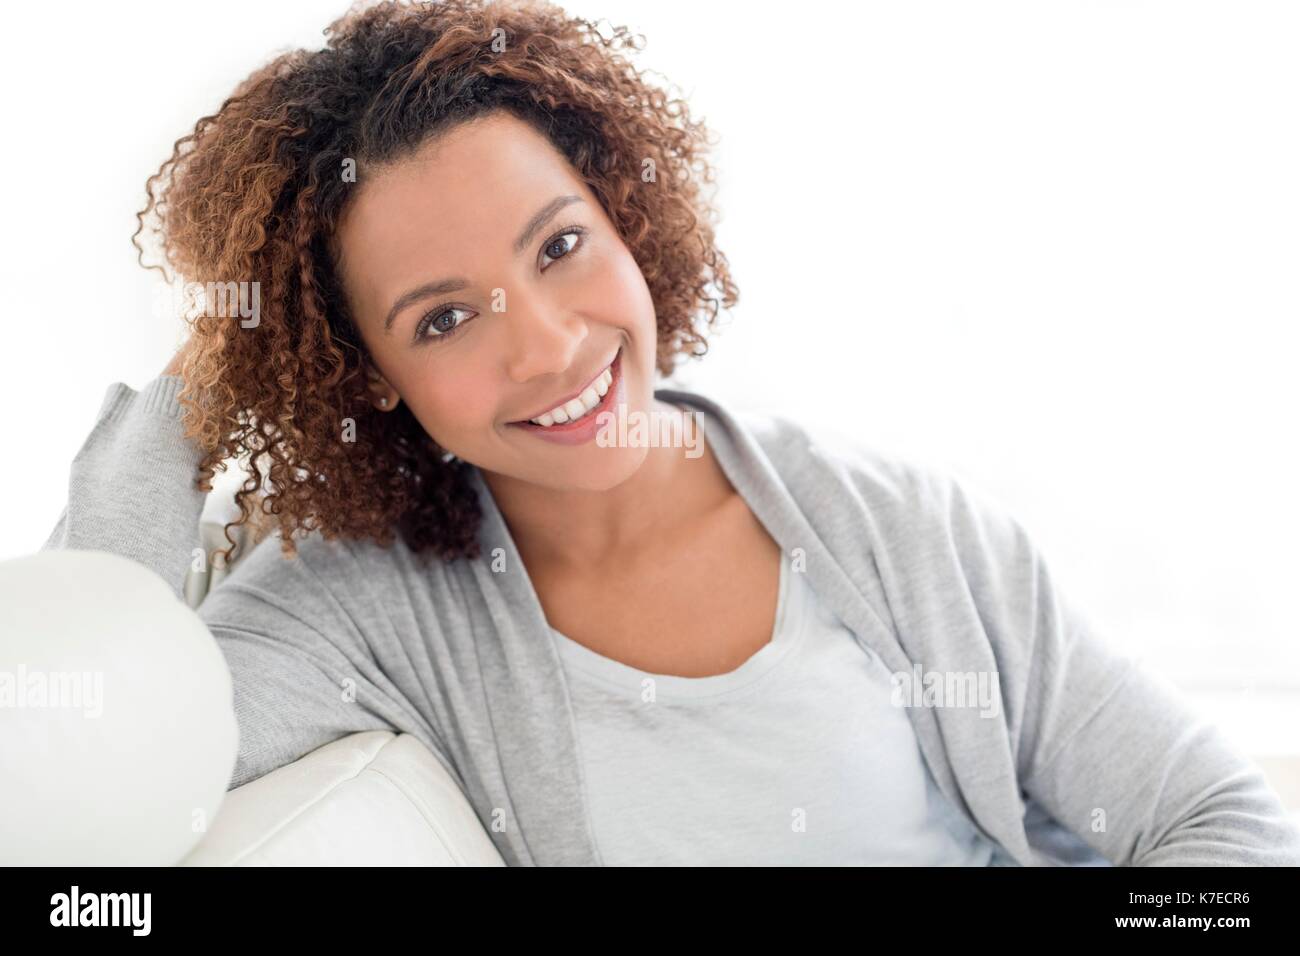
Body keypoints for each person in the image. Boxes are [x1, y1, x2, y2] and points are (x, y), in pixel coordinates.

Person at [43, 0, 1300, 866]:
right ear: (363, 371)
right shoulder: (355, 613)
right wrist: (228, 347)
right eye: (440, 319)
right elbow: (73, 752)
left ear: (627, 215)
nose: (545, 343)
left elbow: (1213, 823)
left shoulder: (885, 522)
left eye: (560, 244)